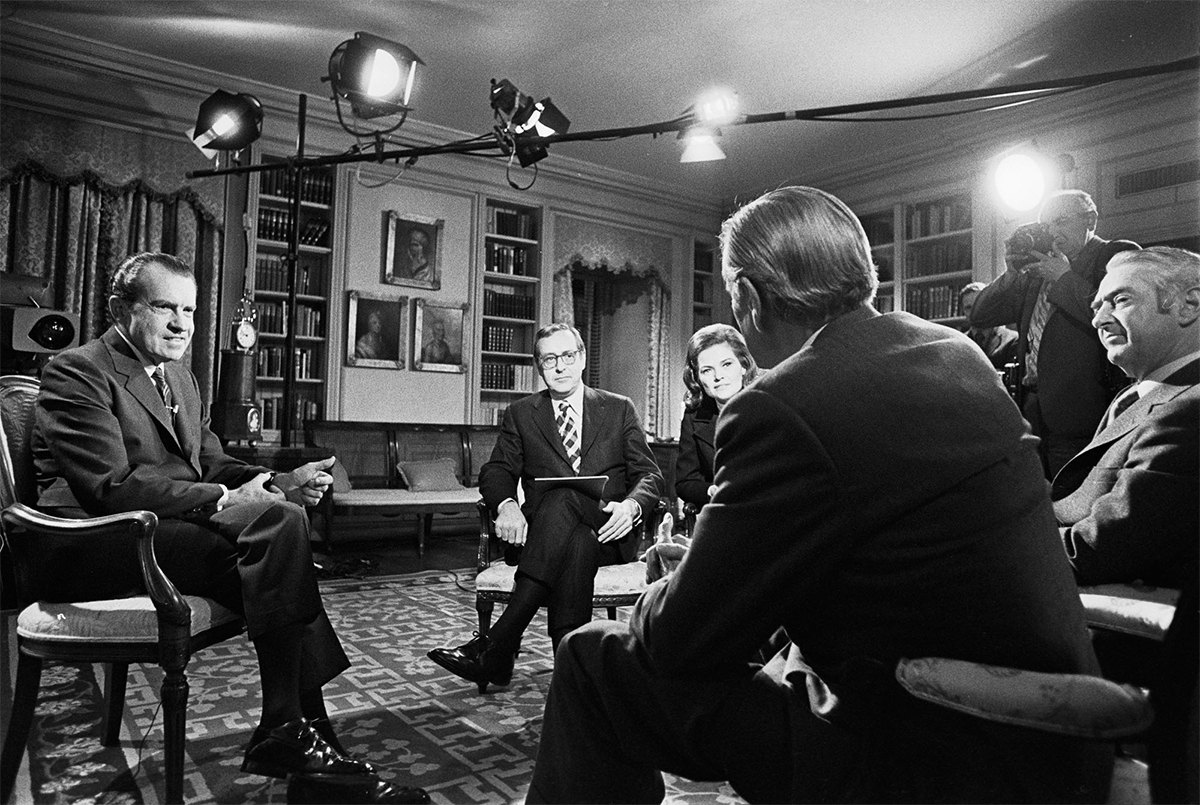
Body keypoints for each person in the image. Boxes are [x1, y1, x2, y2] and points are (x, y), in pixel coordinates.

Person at [527, 187, 1108, 804]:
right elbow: (886, 537)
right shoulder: (954, 351)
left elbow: (678, 639)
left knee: (594, 657)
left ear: (748, 298)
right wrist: (727, 564)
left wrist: (672, 589)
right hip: (1056, 739)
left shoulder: (778, 405)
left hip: (919, 755)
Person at [32, 252, 426, 804]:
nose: (181, 324)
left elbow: (211, 463)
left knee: (279, 535)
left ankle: (296, 739)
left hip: (160, 527)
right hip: (94, 539)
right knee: (278, 552)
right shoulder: (79, 369)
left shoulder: (181, 379)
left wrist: (281, 480)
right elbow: (109, 485)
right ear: (122, 308)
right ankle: (298, 738)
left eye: (190, 310)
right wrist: (225, 496)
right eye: (164, 307)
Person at [427, 322, 662, 689]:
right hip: (552, 539)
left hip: (609, 530)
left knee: (566, 497)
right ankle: (572, 676)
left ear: (582, 358)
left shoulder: (619, 409)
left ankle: (498, 645)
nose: (560, 366)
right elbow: (498, 470)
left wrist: (631, 507)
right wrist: (506, 505)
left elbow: (650, 476)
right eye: (549, 359)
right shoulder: (522, 413)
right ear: (539, 365)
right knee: (574, 537)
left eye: (568, 356)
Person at [1053, 247, 1199, 589]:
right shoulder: (1136, 396)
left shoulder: (1190, 407)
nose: (1097, 320)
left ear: (1189, 305)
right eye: (1096, 306)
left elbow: (1097, 551)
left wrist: (1003, 538)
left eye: (1119, 300)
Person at [970, 189, 1139, 477]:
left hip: (1085, 416)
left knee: (1076, 502)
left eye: (1061, 221)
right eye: (1047, 225)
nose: (1053, 232)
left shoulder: (1114, 256)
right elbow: (981, 315)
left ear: (1090, 220)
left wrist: (1062, 277)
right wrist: (1011, 272)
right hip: (1032, 413)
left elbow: (1120, 317)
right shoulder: (1038, 272)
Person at [674, 323, 758, 511]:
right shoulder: (694, 415)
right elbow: (685, 482)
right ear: (697, 378)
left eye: (726, 364)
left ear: (743, 366)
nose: (718, 376)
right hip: (722, 511)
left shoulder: (768, 402)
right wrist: (712, 490)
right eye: (707, 370)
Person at [958, 281, 1017, 370]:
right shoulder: (959, 342)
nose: (975, 312)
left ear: (990, 306)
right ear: (963, 311)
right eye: (968, 308)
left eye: (979, 305)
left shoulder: (1012, 340)